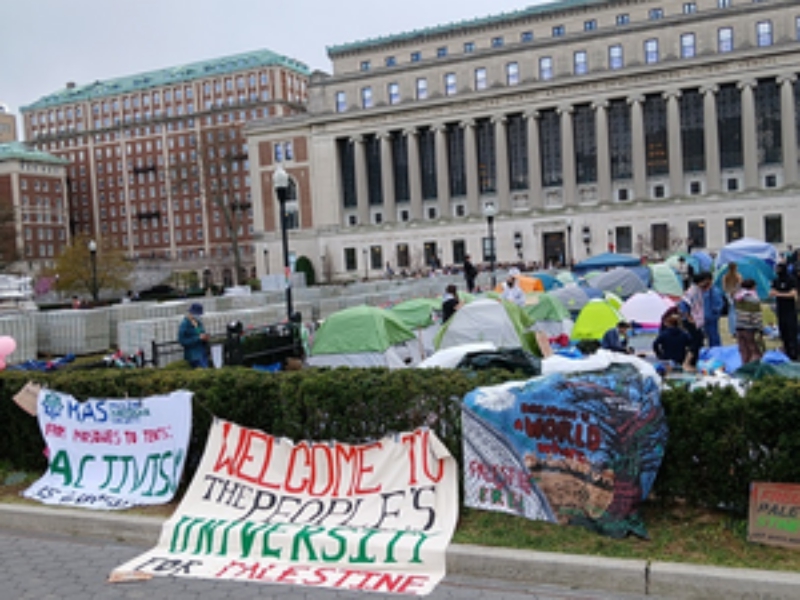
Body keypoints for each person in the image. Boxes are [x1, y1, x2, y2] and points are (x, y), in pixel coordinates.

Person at [678, 273, 709, 368]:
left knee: (699, 340)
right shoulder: (692, 291)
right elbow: (683, 305)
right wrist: (689, 317)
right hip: (692, 320)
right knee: (696, 340)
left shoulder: (697, 290)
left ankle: (692, 362)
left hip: (696, 319)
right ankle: (687, 363)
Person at [770, 262, 798, 361]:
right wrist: (779, 294)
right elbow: (771, 293)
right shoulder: (776, 280)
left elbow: (793, 294)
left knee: (792, 332)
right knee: (783, 332)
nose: (778, 271)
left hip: (790, 310)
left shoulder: (791, 280)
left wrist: (779, 294)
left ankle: (794, 354)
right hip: (780, 309)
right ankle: (786, 351)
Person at [734, 278, 764, 365]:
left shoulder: (738, 297)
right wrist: (760, 328)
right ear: (753, 287)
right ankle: (754, 367)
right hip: (750, 327)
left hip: (739, 325)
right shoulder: (754, 299)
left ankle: (745, 365)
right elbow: (756, 316)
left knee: (743, 349)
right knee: (754, 349)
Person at [178, 303, 210, 368]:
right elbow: (182, 340)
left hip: (202, 352)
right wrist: (198, 338)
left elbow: (200, 332)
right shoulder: (185, 324)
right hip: (193, 355)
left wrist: (204, 337)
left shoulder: (198, 323)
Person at [701, 273, 725, 348]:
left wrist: (715, 312)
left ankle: (716, 350)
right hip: (704, 316)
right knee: (708, 335)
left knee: (713, 335)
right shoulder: (703, 290)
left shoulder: (714, 291)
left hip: (711, 317)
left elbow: (719, 304)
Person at [721, 262, 742, 338]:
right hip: (736, 295)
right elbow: (740, 286)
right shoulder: (738, 276)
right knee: (737, 313)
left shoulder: (725, 276)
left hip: (728, 295)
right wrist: (734, 291)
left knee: (731, 313)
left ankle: (732, 330)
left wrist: (729, 291)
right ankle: (737, 330)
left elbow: (724, 288)